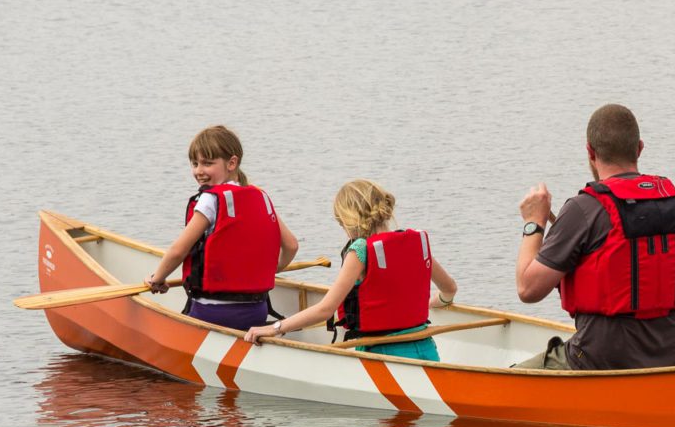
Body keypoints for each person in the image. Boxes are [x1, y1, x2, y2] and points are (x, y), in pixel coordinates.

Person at [514, 104, 675, 370]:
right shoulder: (670, 200)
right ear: (639, 148)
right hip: (668, 357)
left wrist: (534, 222)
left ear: (590, 151)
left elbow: (527, 289)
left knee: (513, 374)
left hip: (599, 361)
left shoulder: (583, 208)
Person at [244, 179, 457, 362]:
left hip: (382, 354)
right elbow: (450, 289)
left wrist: (275, 328)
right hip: (428, 351)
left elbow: (325, 310)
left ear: (349, 221)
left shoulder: (360, 250)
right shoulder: (415, 244)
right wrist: (437, 303)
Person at [146, 125, 299, 330]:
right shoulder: (260, 197)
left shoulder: (210, 199)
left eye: (208, 163)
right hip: (257, 311)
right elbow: (291, 245)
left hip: (212, 313)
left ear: (232, 163)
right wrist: (270, 271)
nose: (199, 171)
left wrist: (158, 279)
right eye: (194, 163)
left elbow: (178, 250)